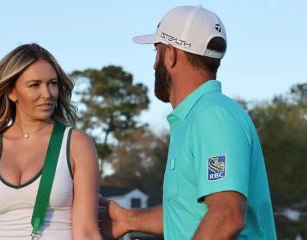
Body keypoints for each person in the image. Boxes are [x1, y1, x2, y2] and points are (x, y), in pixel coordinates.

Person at [99, 5, 277, 239]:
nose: (154, 64)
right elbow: (191, 213)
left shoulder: (212, 116)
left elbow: (227, 216)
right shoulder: (198, 117)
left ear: (170, 55)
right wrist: (129, 219)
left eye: (157, 52)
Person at [0, 43, 101, 240]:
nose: (47, 94)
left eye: (53, 83)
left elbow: (87, 232)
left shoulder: (76, 143)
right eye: (35, 85)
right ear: (11, 92)